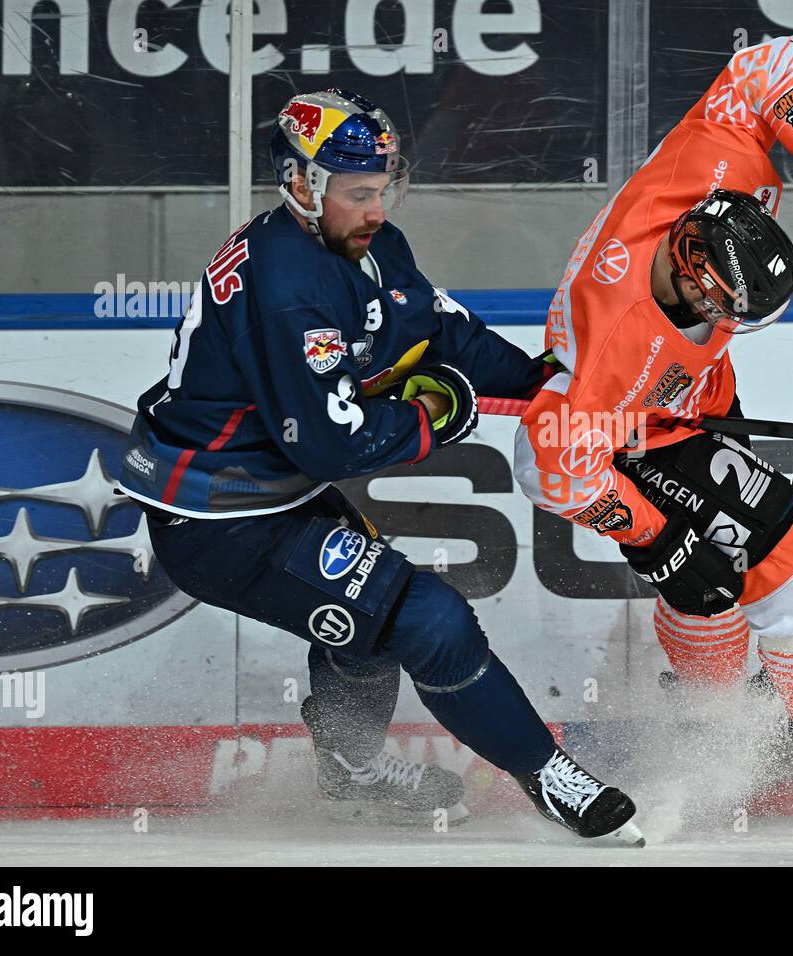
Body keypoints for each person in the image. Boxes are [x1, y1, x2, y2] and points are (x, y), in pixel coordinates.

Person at [116, 88, 643, 845]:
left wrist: (552, 390)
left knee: (364, 628)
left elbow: (439, 332)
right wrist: (436, 418)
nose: (376, 208)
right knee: (427, 618)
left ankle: (349, 775)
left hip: (272, 493)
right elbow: (334, 444)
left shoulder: (364, 244)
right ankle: (547, 774)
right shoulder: (286, 284)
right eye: (357, 192)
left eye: (384, 188)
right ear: (300, 184)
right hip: (219, 521)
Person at [513, 36, 793, 830]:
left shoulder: (717, 166)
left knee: (717, 589)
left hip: (690, 400)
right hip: (628, 438)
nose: (732, 324)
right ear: (694, 280)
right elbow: (548, 467)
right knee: (779, 553)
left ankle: (702, 724)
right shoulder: (610, 344)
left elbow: (777, 63)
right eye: (730, 315)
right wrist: (656, 539)